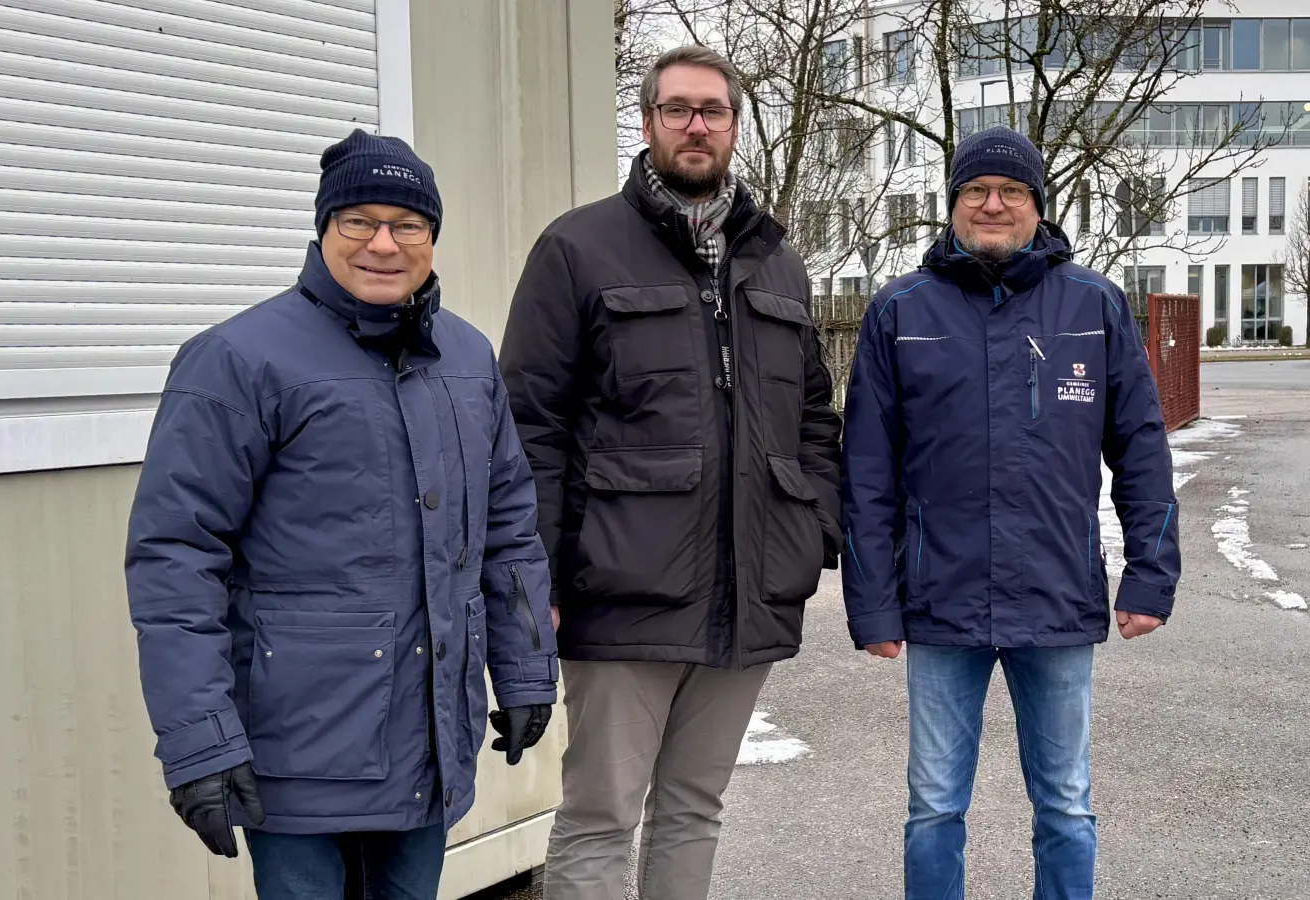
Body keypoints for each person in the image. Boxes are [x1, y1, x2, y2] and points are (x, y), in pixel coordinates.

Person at [124, 129, 559, 900]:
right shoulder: (238, 361)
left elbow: (508, 531)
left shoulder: (465, 359)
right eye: (359, 221)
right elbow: (177, 557)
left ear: (432, 237)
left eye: (408, 224)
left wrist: (524, 671)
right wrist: (198, 742)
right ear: (324, 229)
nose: (383, 244)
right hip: (298, 757)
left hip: (428, 740)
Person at [499, 45, 842, 900]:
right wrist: (531, 571)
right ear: (649, 122)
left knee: (695, 806)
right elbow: (528, 426)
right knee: (600, 813)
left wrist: (812, 527)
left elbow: (811, 419)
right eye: (678, 109)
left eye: (712, 111)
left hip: (746, 594)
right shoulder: (577, 249)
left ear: (733, 127)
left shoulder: (778, 262)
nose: (696, 125)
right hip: (620, 593)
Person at [840, 125, 1181, 900]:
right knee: (932, 807)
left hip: (1057, 597)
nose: (993, 205)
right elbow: (865, 472)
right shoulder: (902, 310)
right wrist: (873, 605)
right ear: (953, 204)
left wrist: (1150, 577)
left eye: (1012, 192)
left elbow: (1141, 448)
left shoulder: (1092, 306)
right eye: (975, 191)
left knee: (1065, 805)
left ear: (1038, 204)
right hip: (938, 603)